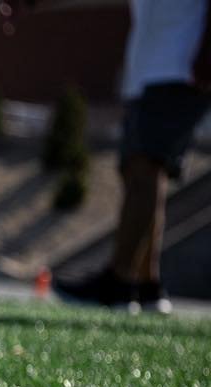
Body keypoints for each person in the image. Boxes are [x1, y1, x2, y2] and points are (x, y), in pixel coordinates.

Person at [54, 0, 211, 313]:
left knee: (145, 163)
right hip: (152, 66)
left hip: (179, 64)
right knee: (143, 169)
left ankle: (120, 280)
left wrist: (207, 52)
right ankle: (146, 283)